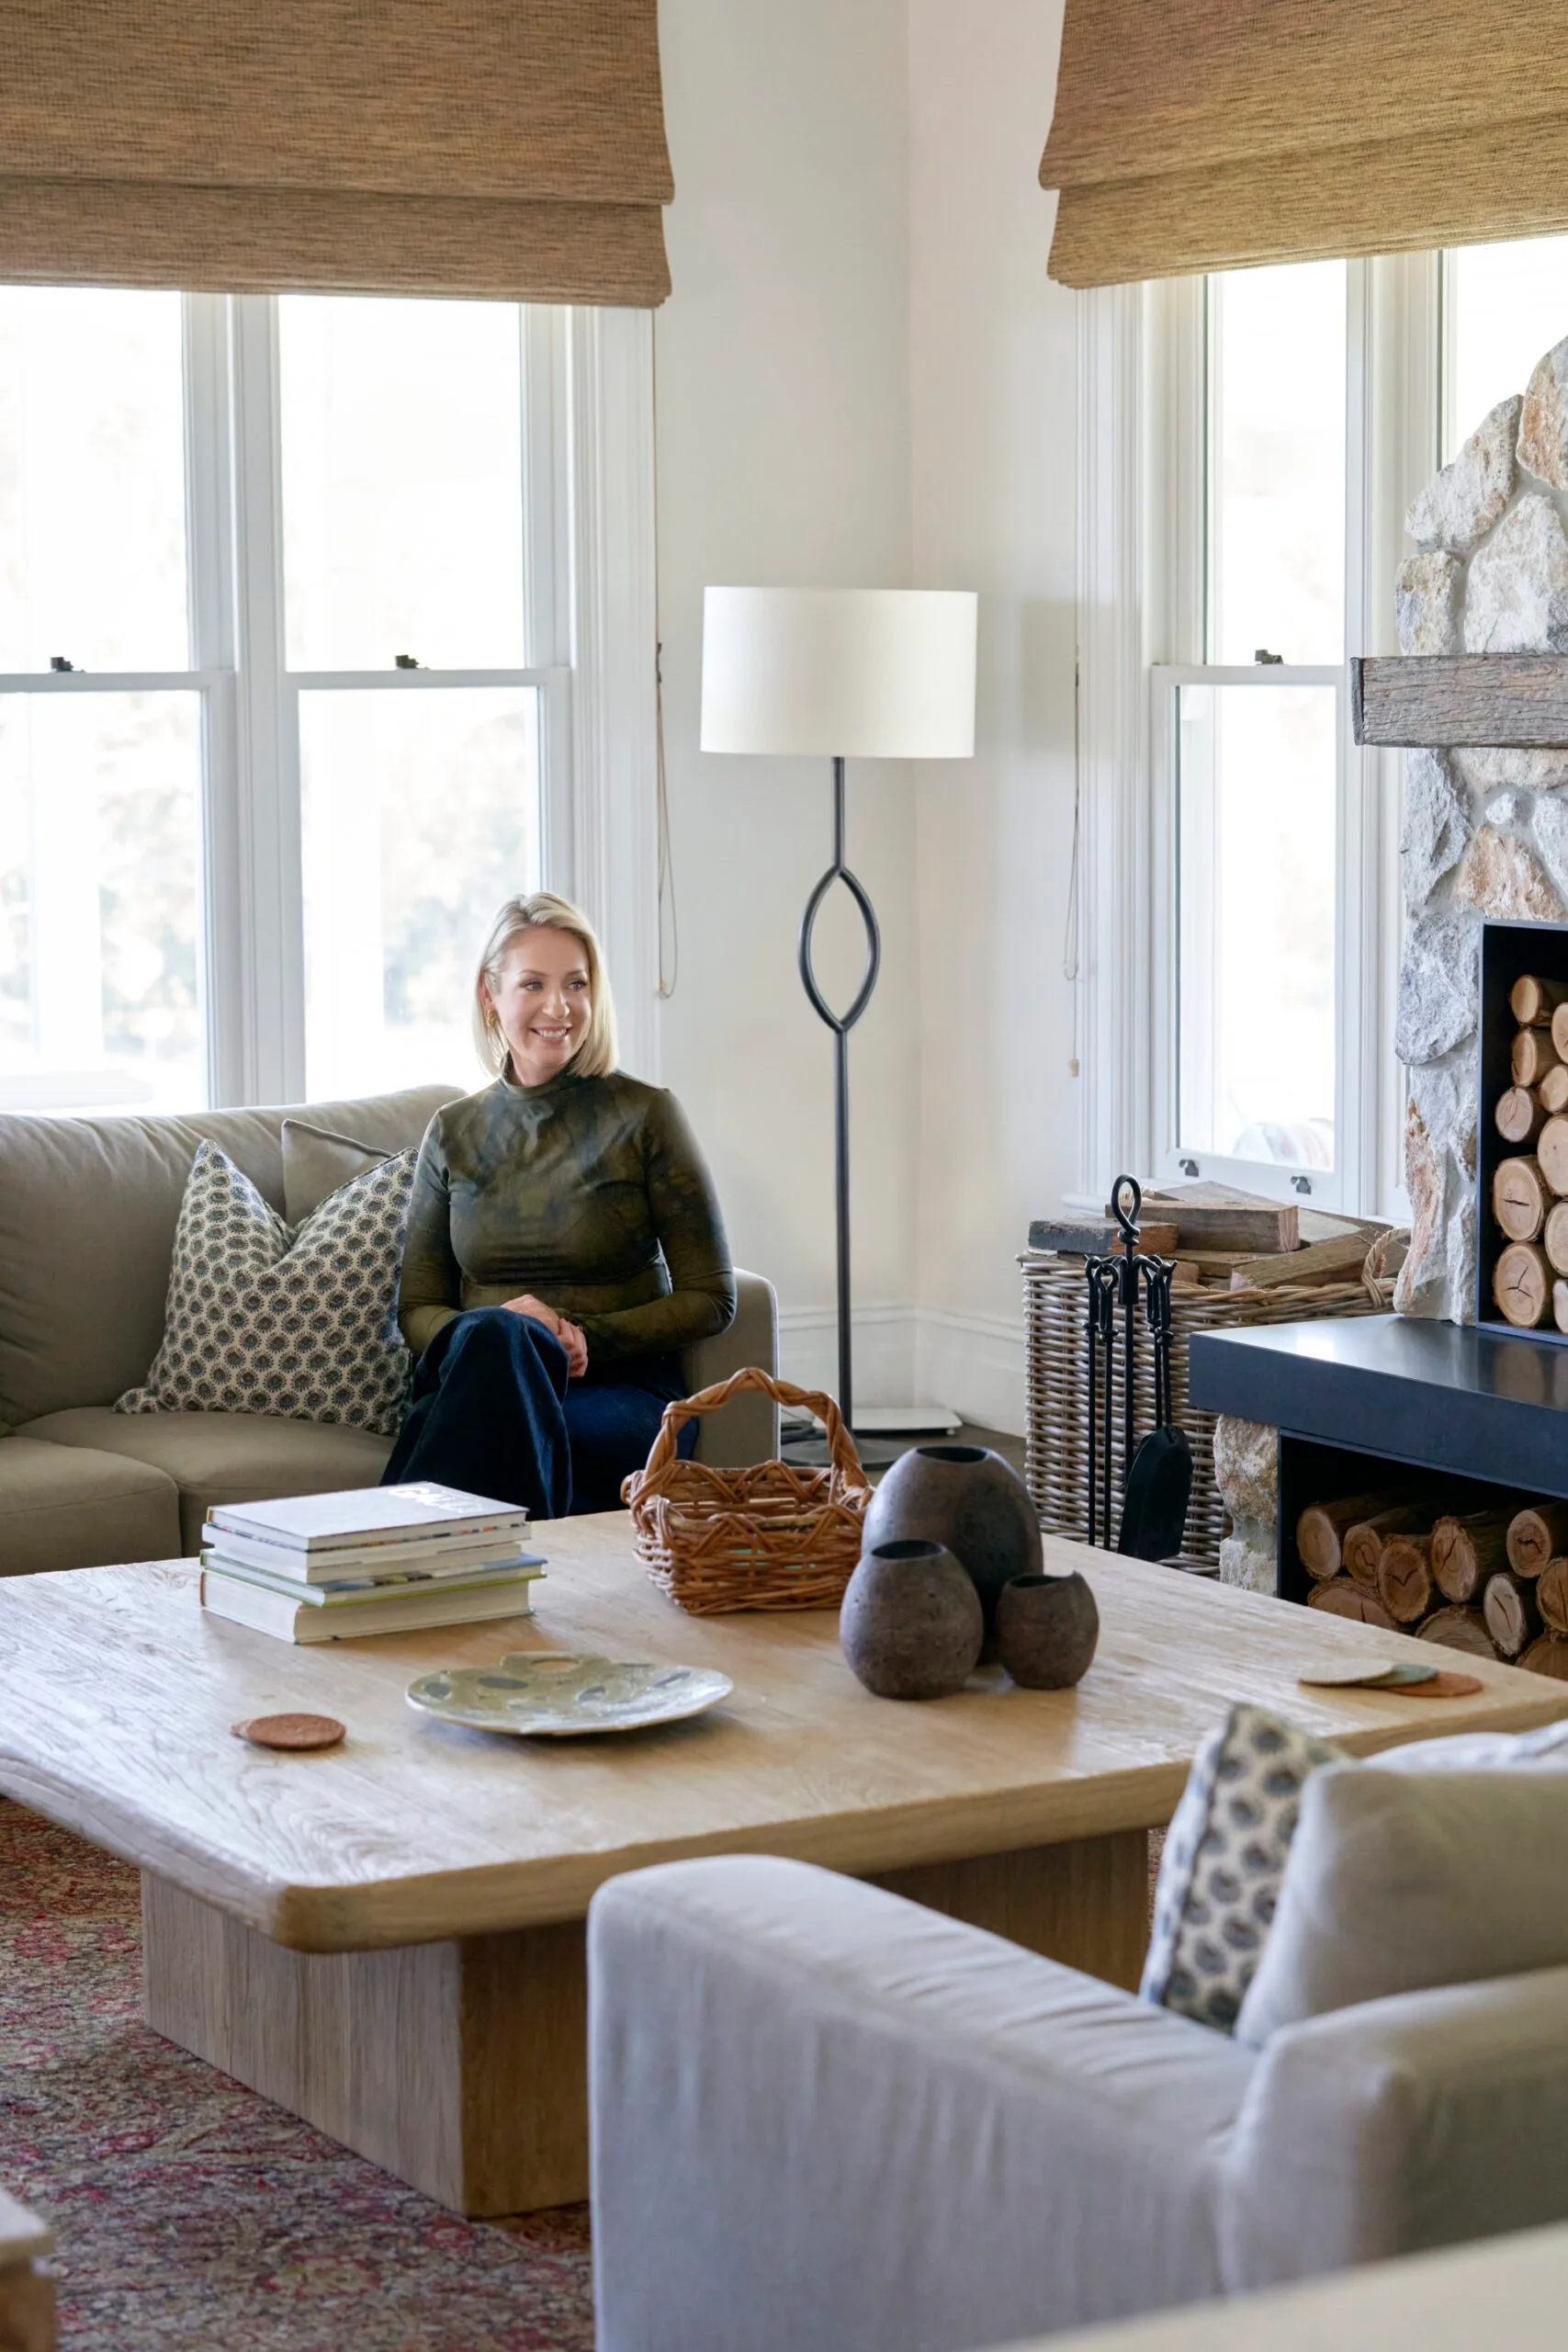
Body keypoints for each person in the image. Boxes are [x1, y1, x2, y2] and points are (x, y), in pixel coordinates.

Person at [382, 891, 736, 1516]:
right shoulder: (453, 1130)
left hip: (615, 1389)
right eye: (533, 985)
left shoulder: (645, 1115)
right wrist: (515, 1334)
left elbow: (712, 1297)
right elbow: (416, 1309)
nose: (559, 1006)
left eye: (576, 983)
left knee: (495, 1408)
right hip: (481, 1377)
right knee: (499, 1341)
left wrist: (578, 1337)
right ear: (490, 997)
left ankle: (383, 1556)